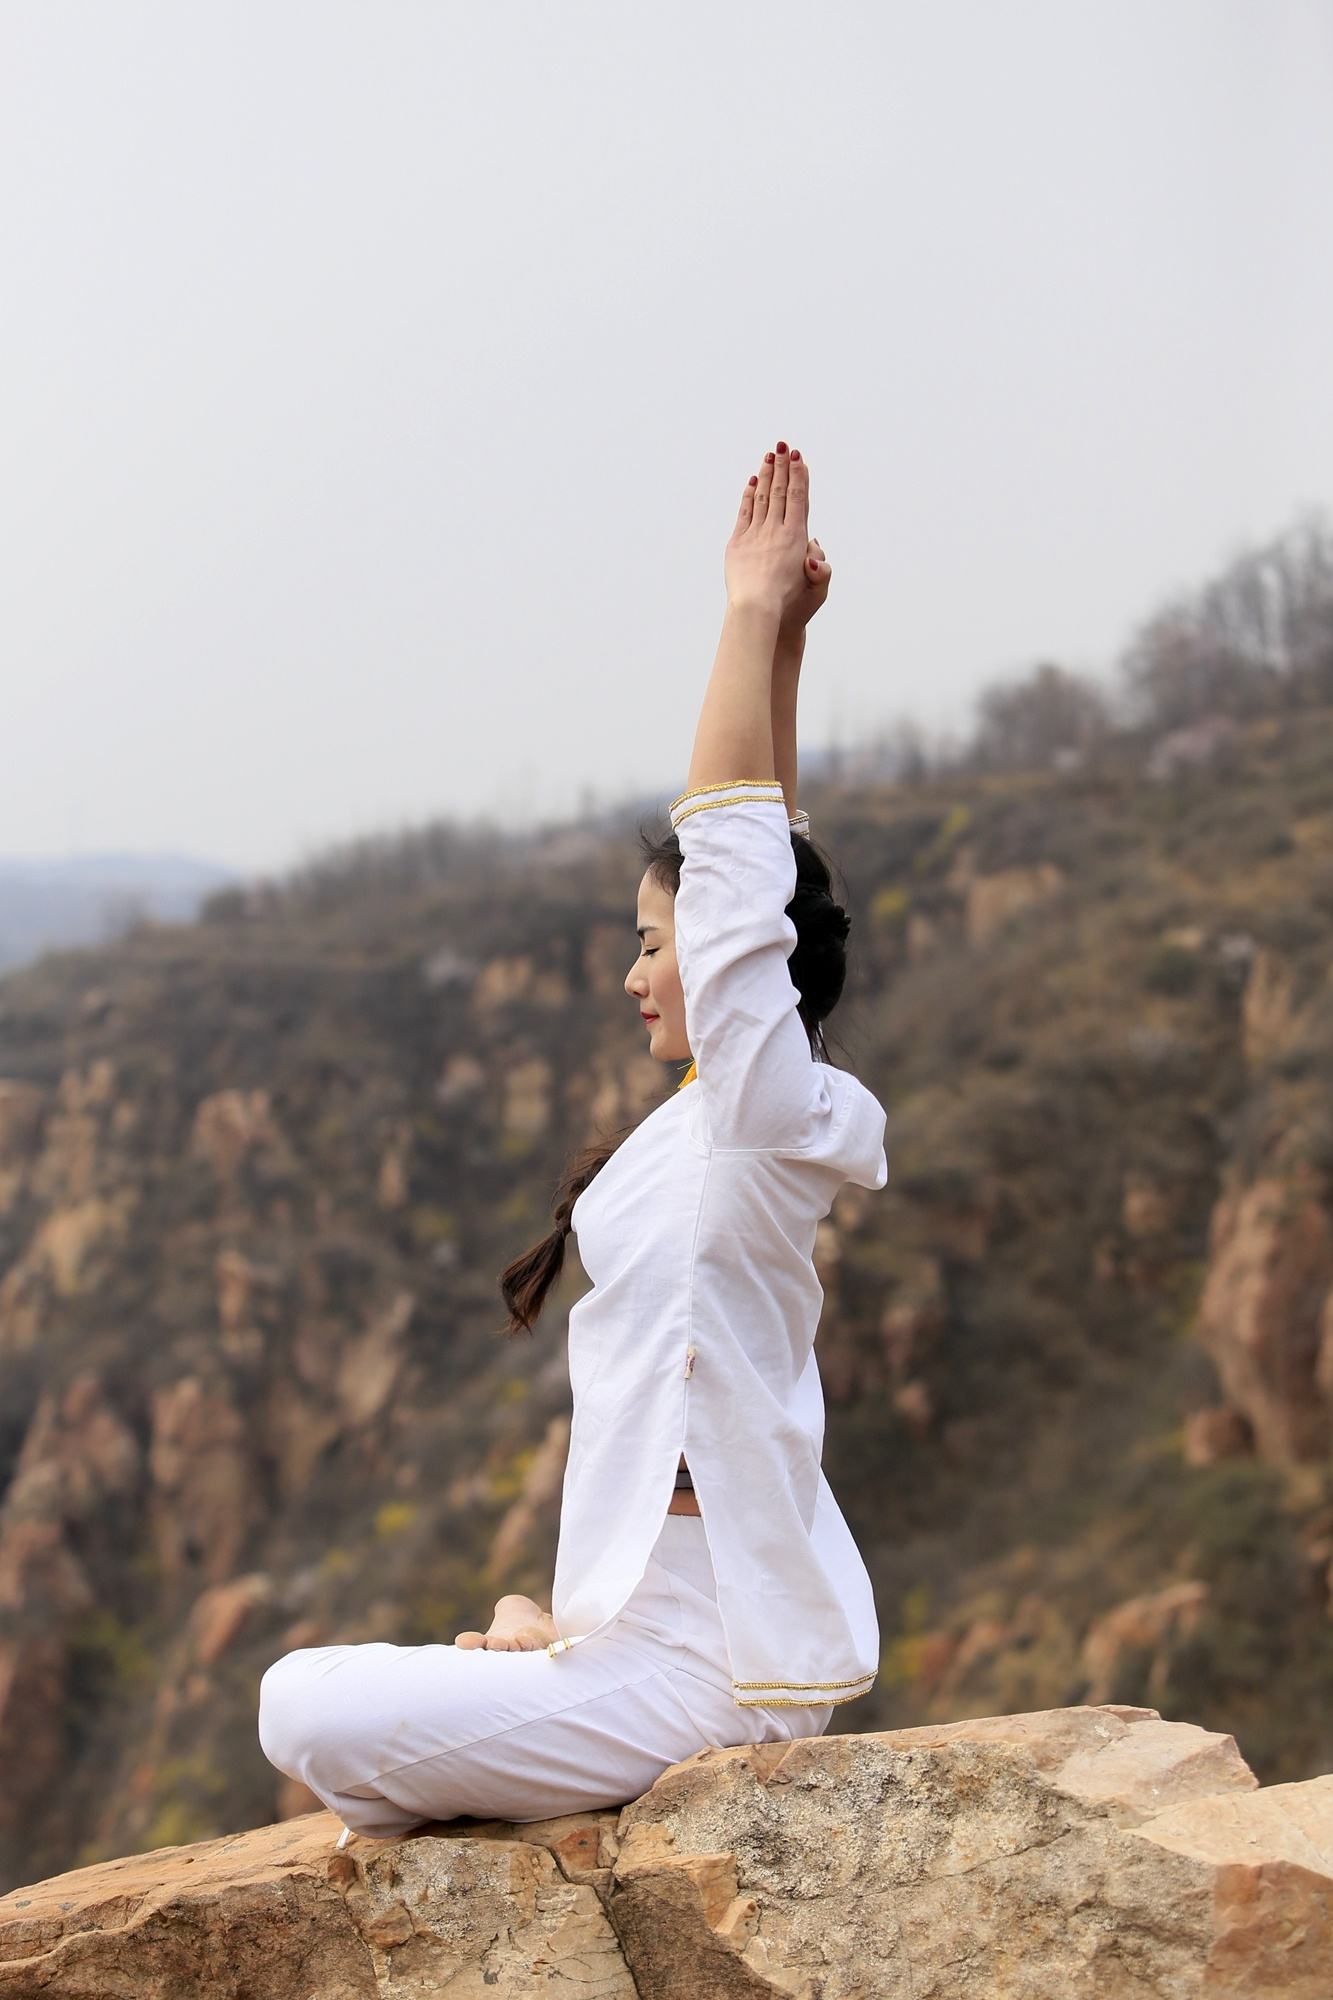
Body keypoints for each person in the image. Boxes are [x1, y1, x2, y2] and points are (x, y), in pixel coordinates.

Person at [257, 439, 890, 1847]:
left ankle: (551, 1683)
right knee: (341, 1714)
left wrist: (739, 616)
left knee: (300, 1706)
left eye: (650, 945)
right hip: (645, 1627)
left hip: (713, 1666)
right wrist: (783, 649)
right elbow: (763, 880)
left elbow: (738, 890)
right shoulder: (723, 1119)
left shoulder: (759, 1108)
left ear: (731, 972)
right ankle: (548, 1658)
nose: (636, 974)